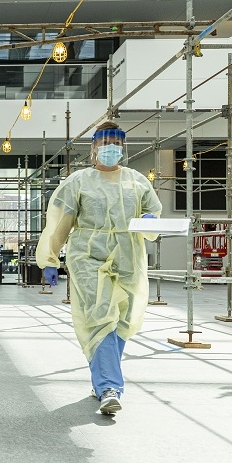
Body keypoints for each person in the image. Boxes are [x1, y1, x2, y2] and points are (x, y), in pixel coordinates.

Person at [35, 120, 162, 416]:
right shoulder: (78, 182)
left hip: (129, 254)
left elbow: (152, 211)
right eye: (105, 144)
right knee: (100, 316)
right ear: (93, 147)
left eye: (116, 144)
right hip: (88, 256)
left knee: (123, 320)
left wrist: (151, 220)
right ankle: (109, 387)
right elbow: (59, 224)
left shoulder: (137, 181)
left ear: (123, 148)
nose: (111, 149)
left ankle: (100, 379)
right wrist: (51, 259)